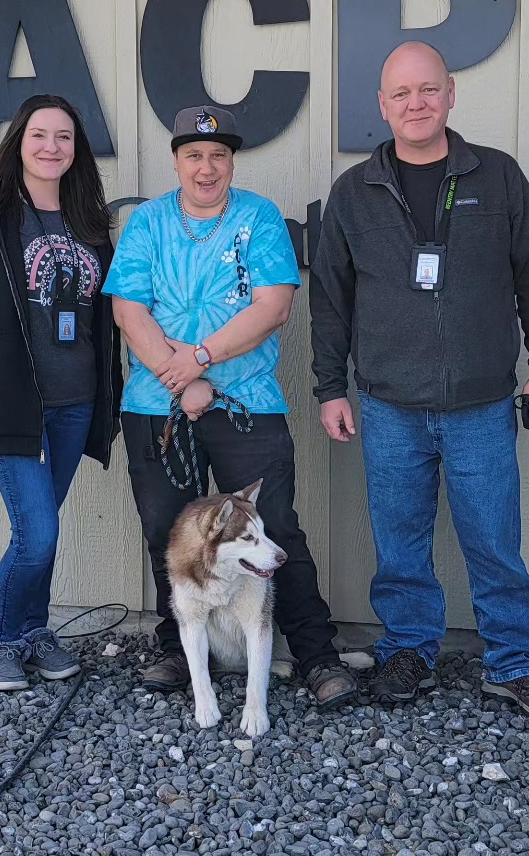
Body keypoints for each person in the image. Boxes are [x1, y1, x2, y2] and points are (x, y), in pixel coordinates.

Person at [309, 41, 529, 722]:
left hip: (481, 402)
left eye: (428, 90)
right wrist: (329, 387)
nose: (416, 104)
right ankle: (409, 651)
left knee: (493, 541)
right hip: (389, 403)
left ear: (451, 94)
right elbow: (331, 298)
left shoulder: (499, 177)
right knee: (399, 542)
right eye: (402, 94)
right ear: (382, 106)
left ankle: (515, 663)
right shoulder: (354, 192)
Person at [104, 104, 358, 712]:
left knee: (273, 530)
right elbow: (127, 311)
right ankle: (175, 643)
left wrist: (198, 359)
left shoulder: (259, 218)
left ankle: (316, 656)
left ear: (231, 161)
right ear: (176, 161)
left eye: (218, 155)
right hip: (156, 407)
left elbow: (273, 306)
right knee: (171, 534)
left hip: (246, 404)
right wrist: (178, 380)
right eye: (194, 155)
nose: (206, 167)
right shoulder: (147, 224)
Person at [0, 94, 122, 693]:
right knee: (36, 534)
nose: (51, 147)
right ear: (18, 140)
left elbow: (107, 313)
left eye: (64, 137)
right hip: (11, 406)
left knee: (45, 528)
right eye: (40, 134)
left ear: (76, 149)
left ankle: (34, 629)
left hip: (75, 402)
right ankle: (3, 640)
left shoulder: (88, 219)